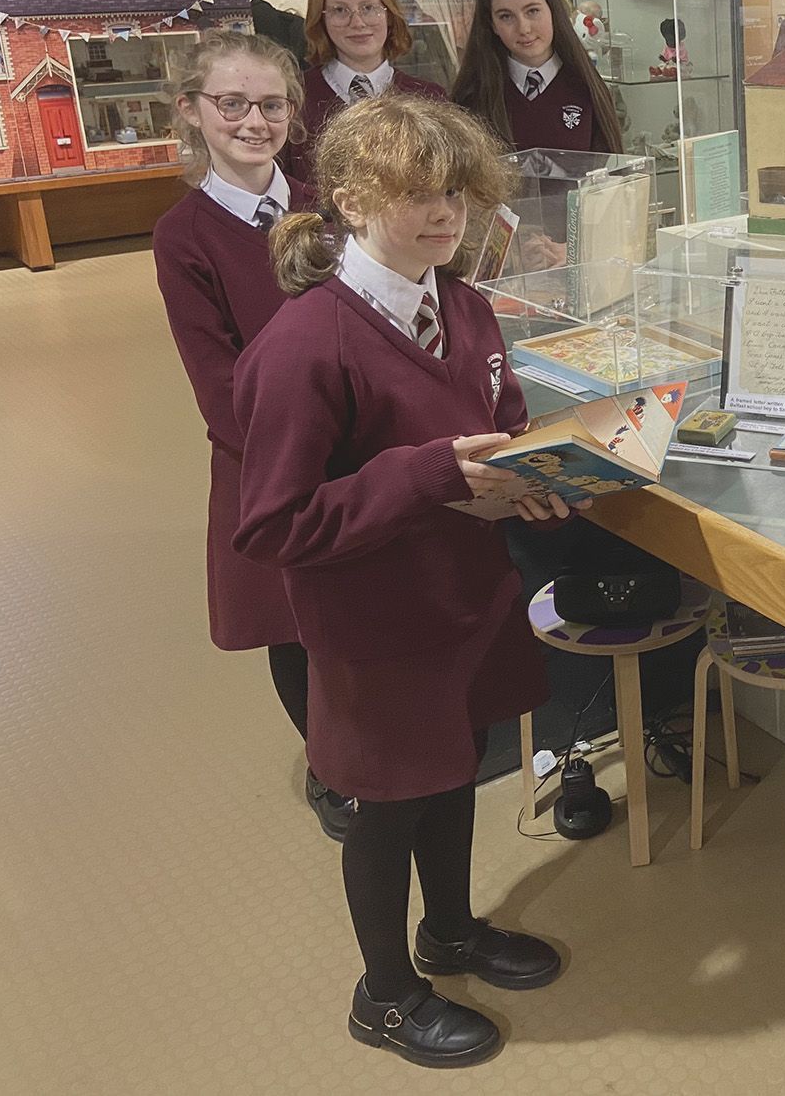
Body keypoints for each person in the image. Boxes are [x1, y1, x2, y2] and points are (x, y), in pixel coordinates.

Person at [234, 93, 576, 1067]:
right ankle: (384, 993)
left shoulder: (462, 306)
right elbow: (272, 522)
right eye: (416, 195)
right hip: (375, 622)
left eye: (456, 194)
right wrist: (425, 473)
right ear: (348, 198)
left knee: (452, 773)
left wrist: (537, 477)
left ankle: (453, 931)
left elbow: (498, 420)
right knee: (390, 802)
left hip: (461, 597)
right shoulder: (306, 345)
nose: (444, 215)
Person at [153, 31, 358, 842]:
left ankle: (369, 738)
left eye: (270, 104)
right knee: (293, 622)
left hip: (357, 445)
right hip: (269, 465)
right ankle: (329, 765)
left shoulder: (327, 204)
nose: (252, 121)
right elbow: (218, 384)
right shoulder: (185, 236)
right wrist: (303, 453)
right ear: (193, 112)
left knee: (352, 609)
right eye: (231, 104)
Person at [285, 0, 446, 184]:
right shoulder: (294, 100)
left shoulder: (431, 99)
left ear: (388, 13)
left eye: (368, 8)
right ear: (321, 19)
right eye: (340, 10)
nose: (357, 23)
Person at [450, 0, 622, 153]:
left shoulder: (587, 89)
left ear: (553, 9)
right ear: (492, 25)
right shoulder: (471, 98)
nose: (523, 28)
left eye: (532, 11)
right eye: (506, 16)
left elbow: (615, 178)